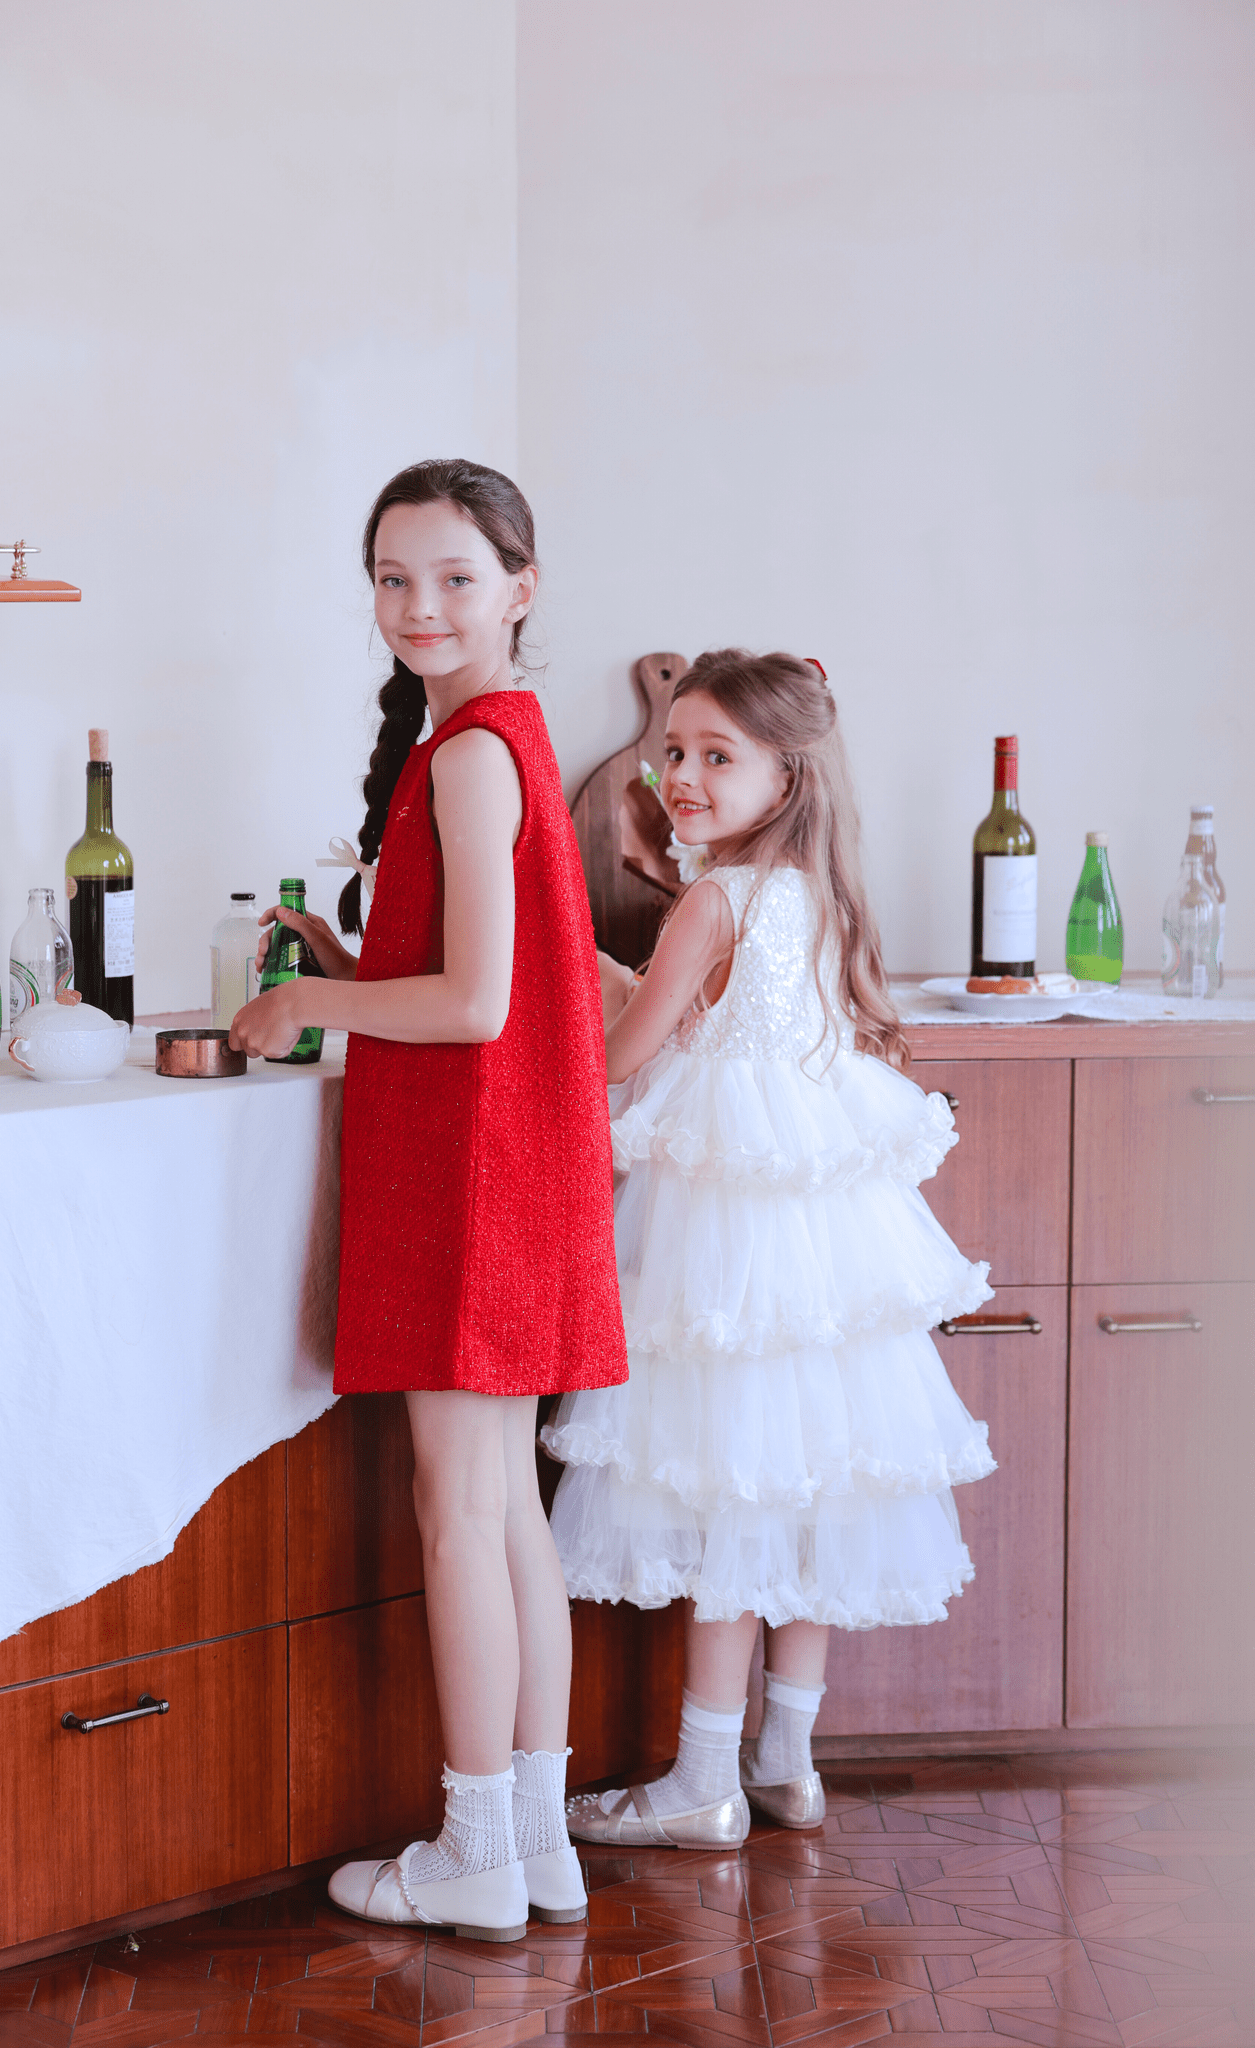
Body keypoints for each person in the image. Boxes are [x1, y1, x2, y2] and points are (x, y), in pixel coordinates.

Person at [231, 459, 626, 1939]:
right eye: (394, 578)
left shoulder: (467, 754)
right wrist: (338, 945)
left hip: (469, 1167)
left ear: (522, 587)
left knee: (459, 1514)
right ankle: (531, 1836)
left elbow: (470, 1004)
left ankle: (470, 1847)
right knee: (506, 1511)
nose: (418, 607)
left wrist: (307, 1001)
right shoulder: (498, 738)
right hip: (518, 1166)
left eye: (455, 577)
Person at [542, 649, 995, 1847]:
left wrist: (572, 994)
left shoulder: (715, 901)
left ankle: (699, 1779)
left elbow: (622, 1056)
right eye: (675, 752)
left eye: (713, 756)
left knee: (738, 1483)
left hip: (727, 1250)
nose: (682, 775)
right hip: (819, 1249)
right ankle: (786, 1757)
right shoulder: (815, 891)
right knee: (811, 1483)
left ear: (785, 773)